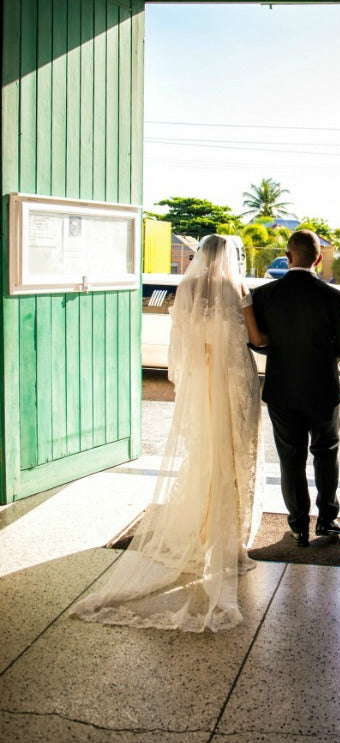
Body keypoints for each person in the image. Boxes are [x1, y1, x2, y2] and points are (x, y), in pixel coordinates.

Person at [71, 235, 266, 633]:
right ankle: (229, 537)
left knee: (205, 452)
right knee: (234, 451)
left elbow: (181, 342)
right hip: (232, 377)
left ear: (200, 256)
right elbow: (256, 338)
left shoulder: (187, 286)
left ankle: (201, 530)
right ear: (229, 257)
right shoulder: (236, 287)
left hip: (201, 380)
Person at [250, 229, 340, 547]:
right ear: (317, 259)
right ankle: (327, 520)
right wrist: (326, 350)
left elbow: (256, 342)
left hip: (282, 390)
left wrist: (279, 348)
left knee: (291, 458)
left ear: (287, 257)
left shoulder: (265, 295)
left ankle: (298, 526)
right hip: (322, 390)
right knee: (326, 453)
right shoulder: (334, 297)